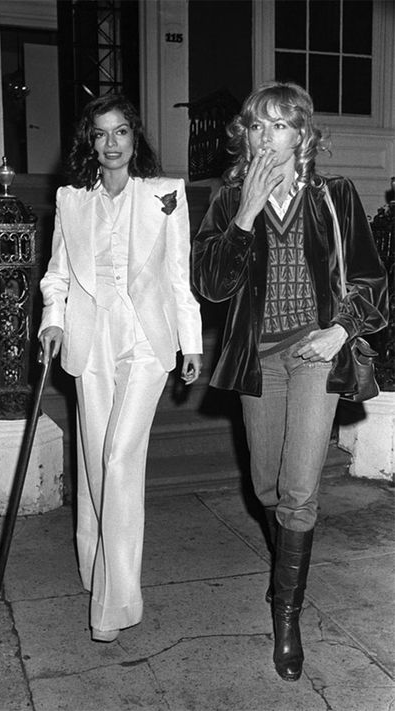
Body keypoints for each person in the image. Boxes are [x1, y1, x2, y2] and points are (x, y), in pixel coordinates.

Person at [192, 82, 388, 681]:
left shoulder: (335, 196)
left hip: (314, 355)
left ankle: (287, 614)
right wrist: (246, 216)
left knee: (300, 490)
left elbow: (372, 282)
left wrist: (340, 331)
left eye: (279, 126)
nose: (265, 138)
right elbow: (211, 286)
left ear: (302, 135)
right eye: (256, 127)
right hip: (259, 361)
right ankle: (287, 573)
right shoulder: (228, 201)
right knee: (268, 488)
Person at [38, 94, 202, 643]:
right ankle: (93, 562)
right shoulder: (70, 199)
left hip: (146, 343)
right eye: (102, 134)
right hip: (91, 341)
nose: (112, 144)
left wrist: (191, 342)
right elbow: (57, 273)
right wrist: (52, 320)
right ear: (91, 141)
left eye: (122, 132)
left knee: (117, 456)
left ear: (136, 138)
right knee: (92, 459)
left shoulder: (165, 196)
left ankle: (116, 601)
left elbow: (179, 277)